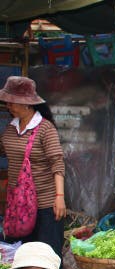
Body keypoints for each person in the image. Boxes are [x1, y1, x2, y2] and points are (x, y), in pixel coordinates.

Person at [0, 77, 67, 257]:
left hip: (45, 204)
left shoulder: (45, 129)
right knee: (21, 255)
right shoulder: (11, 128)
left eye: (12, 102)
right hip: (18, 204)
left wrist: (59, 197)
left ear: (27, 104)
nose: (8, 105)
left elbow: (57, 163)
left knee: (47, 256)